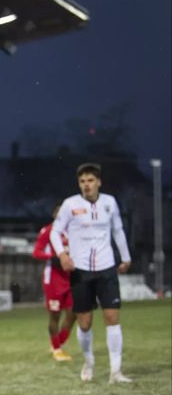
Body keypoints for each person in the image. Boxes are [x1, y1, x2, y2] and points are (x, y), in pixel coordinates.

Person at [50, 163, 133, 383]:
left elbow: (117, 230)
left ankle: (116, 371)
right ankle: (89, 362)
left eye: (90, 180)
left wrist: (125, 257)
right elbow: (55, 233)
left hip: (107, 268)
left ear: (99, 182)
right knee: (84, 323)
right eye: (82, 181)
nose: (86, 185)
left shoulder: (110, 202)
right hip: (81, 271)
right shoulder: (70, 205)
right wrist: (62, 256)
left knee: (112, 318)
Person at [32, 205, 75, 362]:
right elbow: (36, 252)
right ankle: (57, 349)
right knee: (55, 315)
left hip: (71, 278)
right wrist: (53, 256)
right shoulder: (48, 231)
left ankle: (58, 343)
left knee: (73, 313)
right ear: (55, 215)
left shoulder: (73, 231)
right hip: (54, 279)